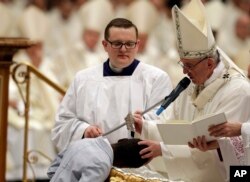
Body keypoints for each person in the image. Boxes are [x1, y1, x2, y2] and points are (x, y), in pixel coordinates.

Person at [133, 0, 250, 181]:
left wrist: (162, 149)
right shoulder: (191, 84)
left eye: (189, 65)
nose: (184, 71)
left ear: (210, 64)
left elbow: (231, 148)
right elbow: (172, 122)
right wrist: (146, 126)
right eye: (182, 64)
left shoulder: (237, 90)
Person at [51, 17, 173, 152]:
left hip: (138, 165)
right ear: (105, 45)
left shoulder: (156, 79)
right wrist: (84, 130)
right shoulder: (83, 79)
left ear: (137, 45)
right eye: (117, 43)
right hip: (92, 160)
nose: (123, 49)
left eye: (129, 44)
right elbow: (62, 124)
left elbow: (165, 122)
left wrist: (143, 124)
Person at [47, 137, 150, 182]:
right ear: (124, 165)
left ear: (121, 140)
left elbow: (52, 169)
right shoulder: (102, 164)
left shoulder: (86, 141)